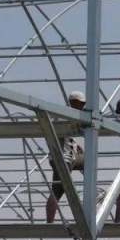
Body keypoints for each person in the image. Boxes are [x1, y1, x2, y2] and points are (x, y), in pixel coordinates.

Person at [46, 91, 86, 223]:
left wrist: (75, 145)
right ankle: (49, 221)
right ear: (73, 102)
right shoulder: (65, 116)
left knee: (88, 161)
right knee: (57, 190)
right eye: (80, 103)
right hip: (63, 159)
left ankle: (90, 188)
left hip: (67, 157)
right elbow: (61, 134)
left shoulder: (65, 115)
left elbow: (66, 136)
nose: (82, 106)